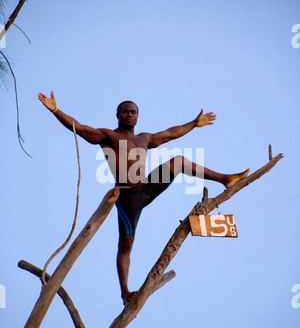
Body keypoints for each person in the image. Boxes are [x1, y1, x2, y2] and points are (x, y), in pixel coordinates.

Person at [38, 91, 249, 305]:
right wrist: (56, 110)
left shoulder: (144, 138)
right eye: (125, 111)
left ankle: (224, 179)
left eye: (133, 112)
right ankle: (125, 293)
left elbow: (170, 134)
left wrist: (194, 123)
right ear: (118, 115)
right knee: (126, 245)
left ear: (137, 116)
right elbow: (81, 129)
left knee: (178, 161)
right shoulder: (109, 136)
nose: (129, 114)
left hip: (146, 188)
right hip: (127, 196)